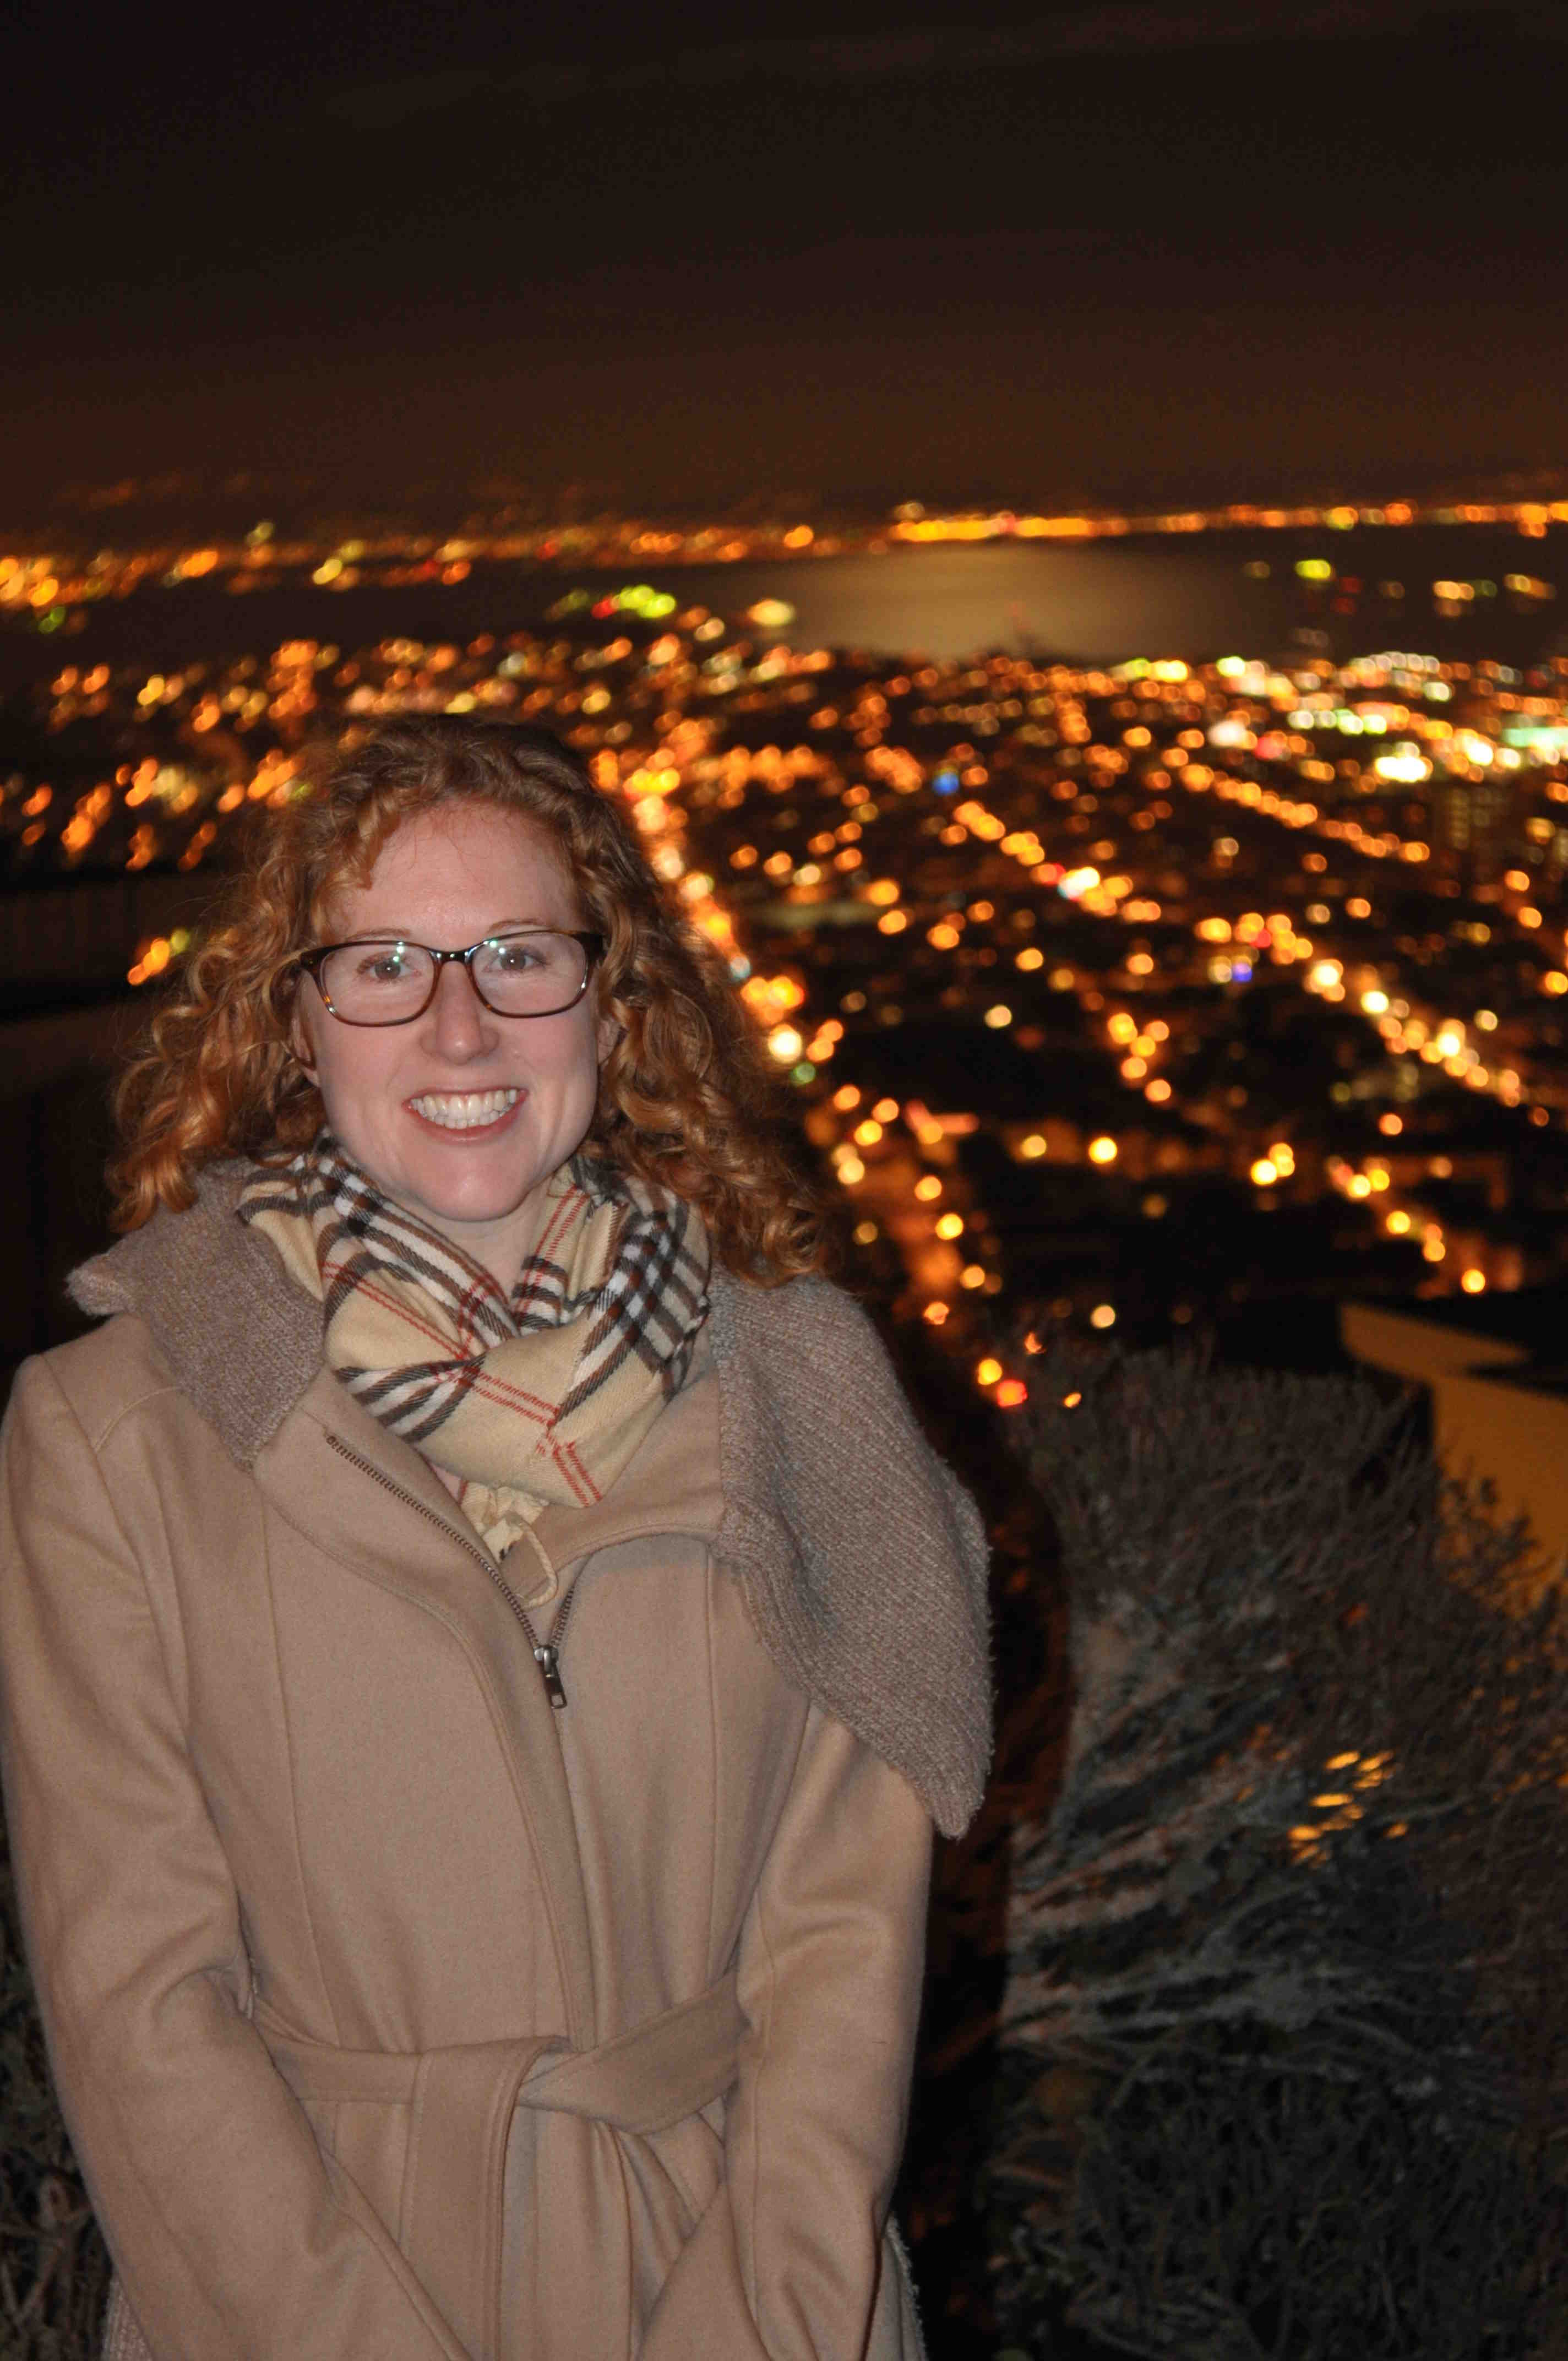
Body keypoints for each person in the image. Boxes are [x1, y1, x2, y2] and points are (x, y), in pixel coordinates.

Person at [0, 716, 992, 2361]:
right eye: (383, 965)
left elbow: (846, 1955)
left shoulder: (802, 1393)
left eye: (519, 956)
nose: (458, 1026)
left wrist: (760, 2325)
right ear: (298, 1024)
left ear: (611, 1001)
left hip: (748, 2285)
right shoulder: (113, 1438)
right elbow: (141, 2010)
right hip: (309, 2293)